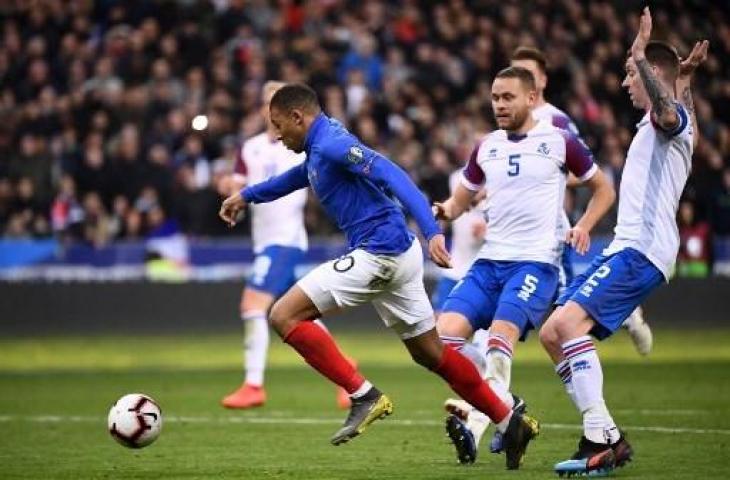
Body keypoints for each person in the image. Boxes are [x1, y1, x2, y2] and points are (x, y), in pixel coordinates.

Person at [219, 83, 539, 470]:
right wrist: (246, 196)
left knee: (283, 315)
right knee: (432, 353)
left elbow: (394, 175)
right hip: (398, 254)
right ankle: (509, 420)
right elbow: (297, 177)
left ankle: (362, 395)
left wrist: (433, 231)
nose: (276, 134)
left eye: (278, 125)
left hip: (380, 252)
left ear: (297, 117)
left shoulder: (334, 143)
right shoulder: (318, 149)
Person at [540, 8, 708, 476]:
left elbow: (670, 110)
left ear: (652, 74)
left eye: (630, 73)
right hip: (624, 248)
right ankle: (608, 436)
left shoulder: (664, 122)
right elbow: (679, 104)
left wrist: (643, 56)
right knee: (554, 333)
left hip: (642, 250)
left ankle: (598, 439)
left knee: (567, 329)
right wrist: (685, 76)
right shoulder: (671, 122)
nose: (623, 83)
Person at [434, 66, 615, 465]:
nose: (499, 104)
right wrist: (445, 210)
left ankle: (492, 415)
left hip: (535, 264)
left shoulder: (560, 142)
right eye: (495, 97)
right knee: (441, 340)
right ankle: (506, 403)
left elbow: (603, 188)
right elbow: (461, 199)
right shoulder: (486, 146)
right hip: (488, 263)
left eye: (508, 97)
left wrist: (584, 225)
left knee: (501, 338)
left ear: (531, 98)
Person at [512, 46, 653, 356]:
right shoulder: (510, 123)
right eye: (515, 73)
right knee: (560, 298)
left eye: (528, 74)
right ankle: (624, 313)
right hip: (520, 226)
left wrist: (547, 177)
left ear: (543, 81)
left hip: (549, 225)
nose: (519, 81)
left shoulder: (556, 121)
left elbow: (587, 171)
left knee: (563, 308)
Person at [219, 81, 352, 410]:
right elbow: (238, 182)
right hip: (265, 240)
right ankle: (347, 374)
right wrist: (226, 187)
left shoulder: (299, 144)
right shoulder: (249, 148)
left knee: (252, 305)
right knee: (300, 314)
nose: (270, 107)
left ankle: (253, 384)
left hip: (285, 240)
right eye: (266, 101)